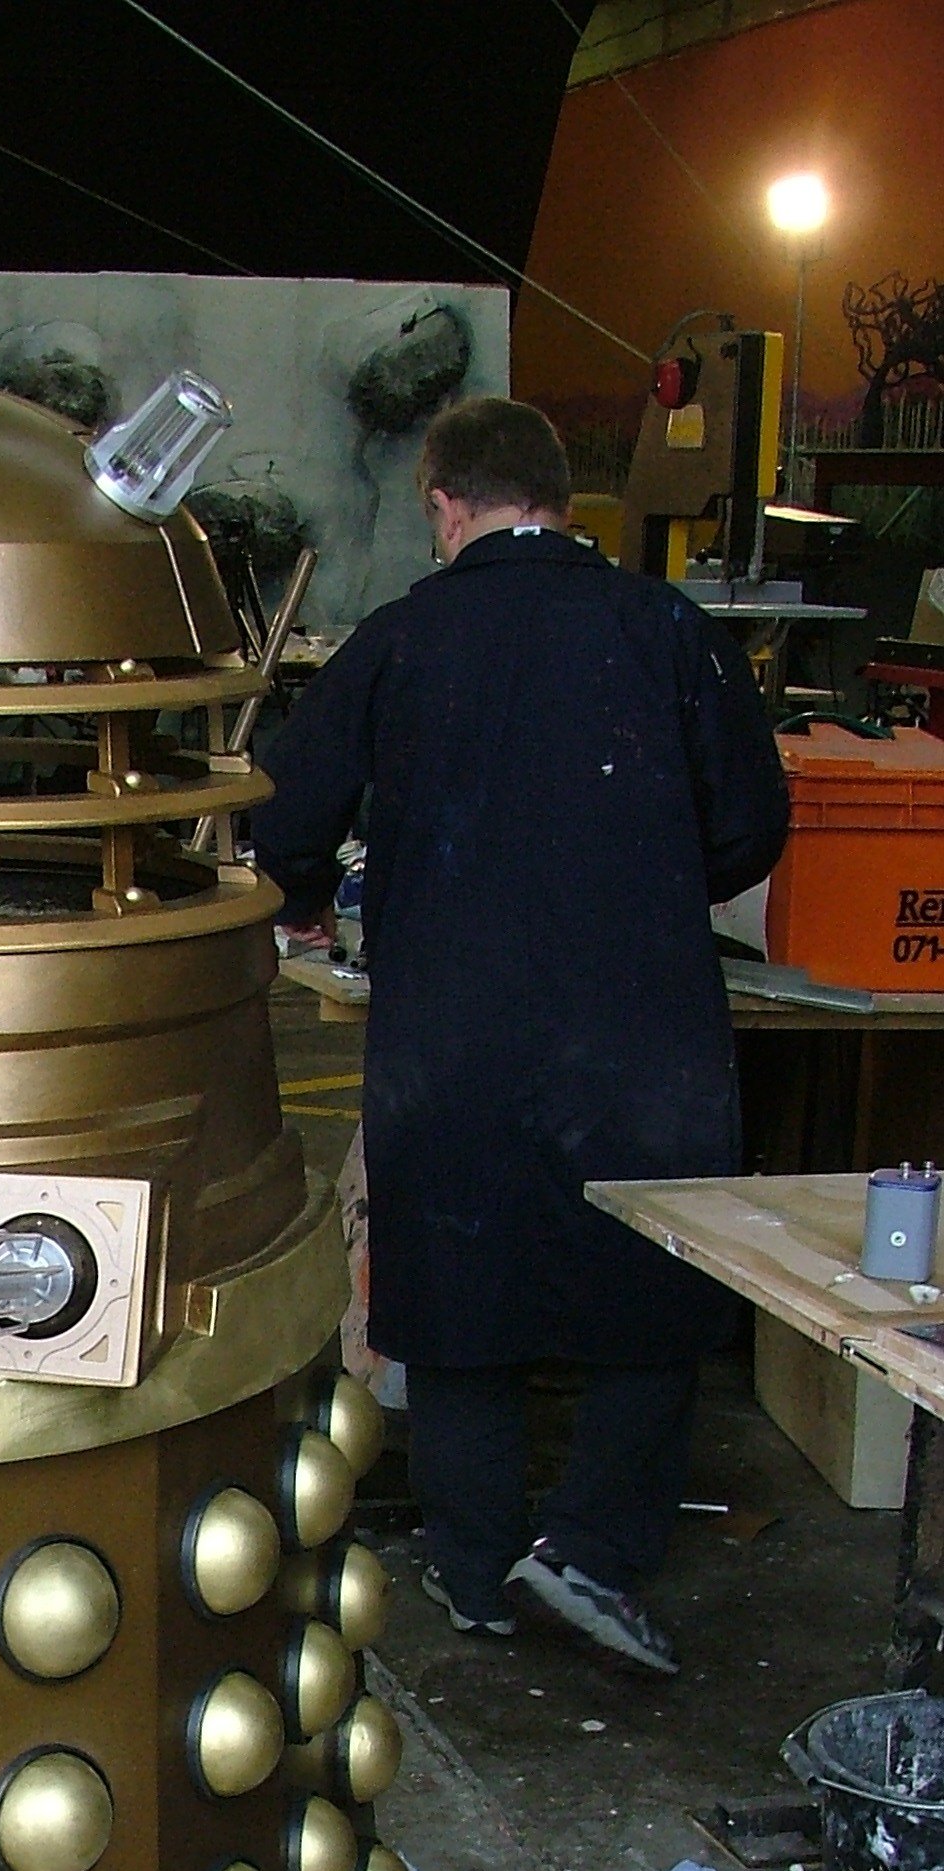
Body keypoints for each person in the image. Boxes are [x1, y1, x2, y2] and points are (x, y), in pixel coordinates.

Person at [251, 396, 789, 1676]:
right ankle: (594, 1551)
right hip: (642, 1022)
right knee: (655, 1280)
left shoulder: (396, 639)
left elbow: (278, 829)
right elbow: (753, 822)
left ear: (444, 502)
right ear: (562, 497)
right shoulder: (669, 628)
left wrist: (331, 903)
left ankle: (482, 1569)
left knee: (456, 1290)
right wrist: (645, 887)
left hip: (455, 1030)